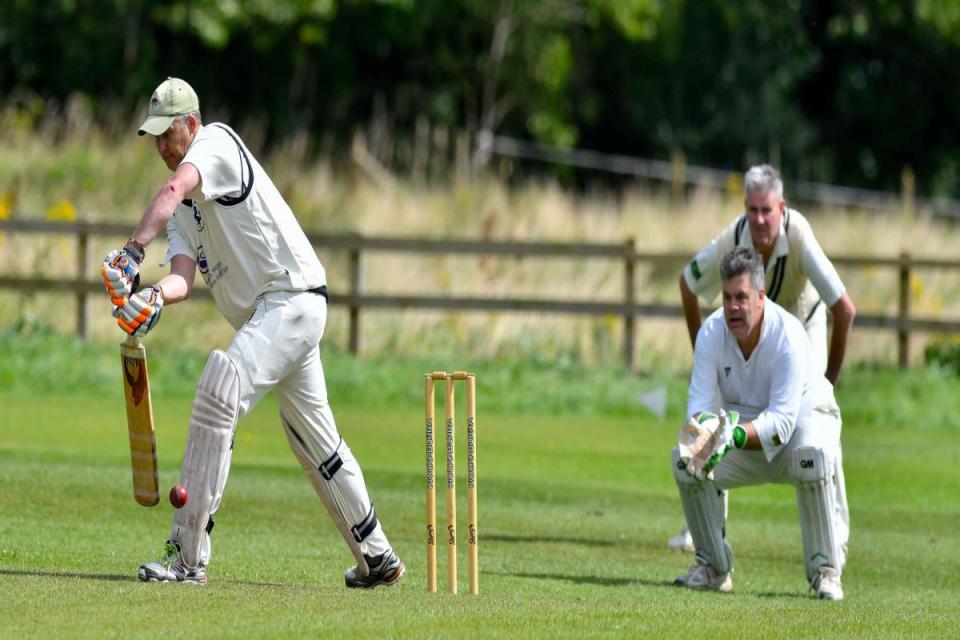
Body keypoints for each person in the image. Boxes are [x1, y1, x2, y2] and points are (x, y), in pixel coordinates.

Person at [99, 77, 404, 588]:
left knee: (220, 387)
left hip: (289, 301)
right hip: (279, 318)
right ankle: (377, 558)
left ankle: (187, 557)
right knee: (316, 444)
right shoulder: (186, 211)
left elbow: (172, 190)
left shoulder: (214, 142)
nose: (161, 148)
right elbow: (181, 276)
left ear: (190, 124)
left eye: (167, 135)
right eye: (153, 138)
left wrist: (130, 252)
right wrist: (151, 296)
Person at [668, 164, 855, 553]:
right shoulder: (736, 235)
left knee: (818, 429)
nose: (758, 219)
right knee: (710, 418)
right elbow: (688, 283)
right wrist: (703, 349)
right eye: (752, 210)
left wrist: (828, 384)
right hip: (741, 332)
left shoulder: (799, 234)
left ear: (781, 208)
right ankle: (701, 532)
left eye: (766, 210)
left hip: (802, 329)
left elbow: (845, 309)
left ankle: (834, 537)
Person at [672, 247, 846, 599]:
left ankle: (825, 572)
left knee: (811, 457)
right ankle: (712, 567)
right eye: (726, 297)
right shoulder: (711, 334)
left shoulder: (789, 335)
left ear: (761, 297)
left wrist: (732, 434)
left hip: (800, 427)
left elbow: (782, 424)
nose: (733, 307)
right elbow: (698, 411)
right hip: (742, 434)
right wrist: (707, 434)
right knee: (684, 460)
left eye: (741, 297)